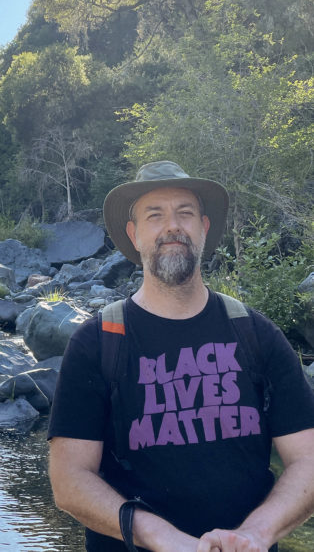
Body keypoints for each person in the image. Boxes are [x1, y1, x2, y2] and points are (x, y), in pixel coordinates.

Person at [47, 161, 314, 552]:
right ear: (134, 236)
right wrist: (160, 537)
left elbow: (308, 460)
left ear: (204, 229)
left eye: (184, 213)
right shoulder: (97, 343)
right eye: (155, 215)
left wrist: (255, 534)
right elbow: (69, 480)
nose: (172, 226)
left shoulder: (256, 334)